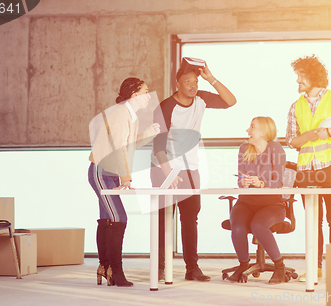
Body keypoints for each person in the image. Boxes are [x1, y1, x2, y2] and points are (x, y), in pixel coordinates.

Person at [151, 59, 237, 282]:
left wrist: (211, 79)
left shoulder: (201, 99)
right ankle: (160, 267)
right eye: (187, 81)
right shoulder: (166, 106)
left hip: (190, 169)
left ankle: (192, 269)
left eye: (196, 81)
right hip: (164, 168)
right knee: (163, 218)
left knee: (190, 219)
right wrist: (169, 174)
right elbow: (158, 146)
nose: (193, 85)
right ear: (177, 84)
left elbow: (230, 101)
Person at [286, 55, 331, 281]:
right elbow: (290, 140)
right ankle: (314, 267)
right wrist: (305, 137)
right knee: (312, 221)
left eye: (301, 76)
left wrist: (328, 132)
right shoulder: (295, 106)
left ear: (313, 76)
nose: (297, 80)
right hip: (307, 171)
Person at [88, 77, 160, 287]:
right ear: (135, 93)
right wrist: (126, 177)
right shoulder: (121, 113)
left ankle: (104, 267)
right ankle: (115, 271)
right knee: (119, 218)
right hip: (102, 172)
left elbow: (129, 144)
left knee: (109, 219)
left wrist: (148, 133)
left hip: (108, 172)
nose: (148, 95)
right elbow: (120, 147)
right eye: (146, 91)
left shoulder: (129, 114)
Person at [228, 116, 288, 284]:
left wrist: (261, 183)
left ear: (262, 132)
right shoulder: (244, 149)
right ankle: (243, 264)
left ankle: (280, 267)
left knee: (258, 225)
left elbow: (279, 181)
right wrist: (243, 182)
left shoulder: (275, 149)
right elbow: (239, 177)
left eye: (252, 127)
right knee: (238, 226)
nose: (248, 130)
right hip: (246, 202)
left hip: (272, 204)